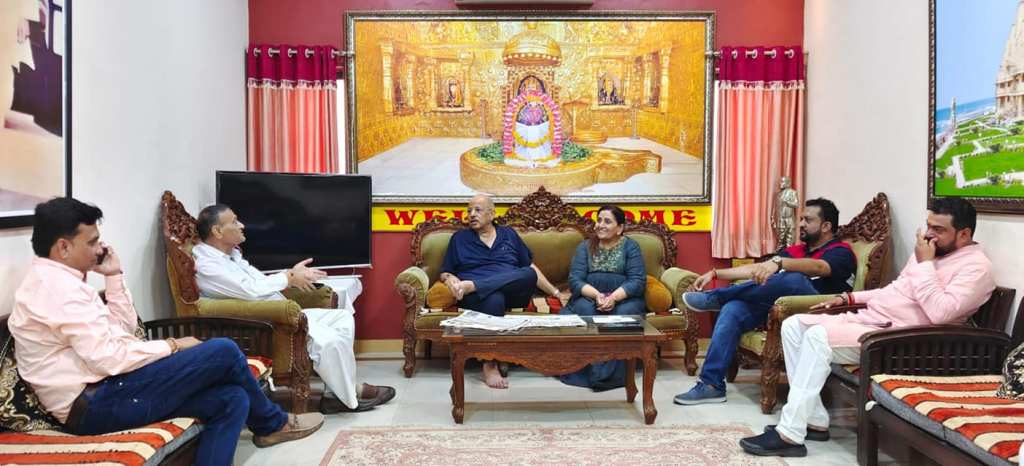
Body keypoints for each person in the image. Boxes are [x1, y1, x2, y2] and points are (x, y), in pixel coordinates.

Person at [9, 198, 324, 466]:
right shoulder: (56, 291)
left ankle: (269, 427)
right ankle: (273, 423)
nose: (100, 248)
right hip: (96, 403)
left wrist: (114, 276)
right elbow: (109, 359)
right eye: (91, 242)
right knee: (224, 351)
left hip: (109, 388)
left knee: (232, 399)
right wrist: (173, 345)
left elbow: (124, 332)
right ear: (63, 247)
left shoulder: (64, 284)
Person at [740, 198, 995, 458]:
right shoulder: (930, 252)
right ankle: (814, 420)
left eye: (938, 229)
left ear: (964, 234)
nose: (929, 234)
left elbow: (941, 313)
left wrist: (925, 265)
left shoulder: (976, 268)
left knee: (817, 337)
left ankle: (789, 433)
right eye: (928, 226)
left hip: (903, 339)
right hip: (873, 321)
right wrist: (849, 298)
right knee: (794, 325)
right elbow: (894, 292)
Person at [192, 204, 395, 415]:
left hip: (280, 313)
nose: (242, 225)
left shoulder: (231, 255)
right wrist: (289, 277)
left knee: (341, 318)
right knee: (331, 341)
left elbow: (260, 282)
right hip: (264, 323)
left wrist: (291, 275)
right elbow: (250, 290)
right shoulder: (208, 265)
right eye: (234, 221)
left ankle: (336, 393)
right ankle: (346, 398)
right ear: (217, 231)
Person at [675, 198, 856, 405]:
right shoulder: (796, 251)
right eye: (801, 219)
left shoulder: (841, 251)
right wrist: (715, 273)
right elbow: (759, 269)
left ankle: (717, 297)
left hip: (819, 311)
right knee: (733, 309)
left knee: (793, 278)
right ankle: (711, 385)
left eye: (808, 220)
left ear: (826, 226)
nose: (801, 224)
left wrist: (780, 263)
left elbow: (819, 268)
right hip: (781, 308)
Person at [440, 193, 560, 388]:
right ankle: (490, 364)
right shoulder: (459, 239)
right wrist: (451, 280)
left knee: (528, 273)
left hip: (505, 292)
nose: (472, 214)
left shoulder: (509, 234)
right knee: (494, 299)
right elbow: (446, 271)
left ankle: (476, 285)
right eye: (469, 211)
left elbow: (530, 268)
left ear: (492, 213)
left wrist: (556, 293)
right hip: (477, 298)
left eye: (477, 210)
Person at [558, 205, 646, 390]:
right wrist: (597, 295)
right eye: (598, 220)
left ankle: (608, 376)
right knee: (586, 311)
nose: (600, 225)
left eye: (607, 221)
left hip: (624, 298)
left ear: (619, 228)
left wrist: (613, 298)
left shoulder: (630, 247)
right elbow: (575, 280)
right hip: (589, 296)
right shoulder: (585, 247)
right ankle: (586, 372)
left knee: (624, 315)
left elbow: (637, 281)